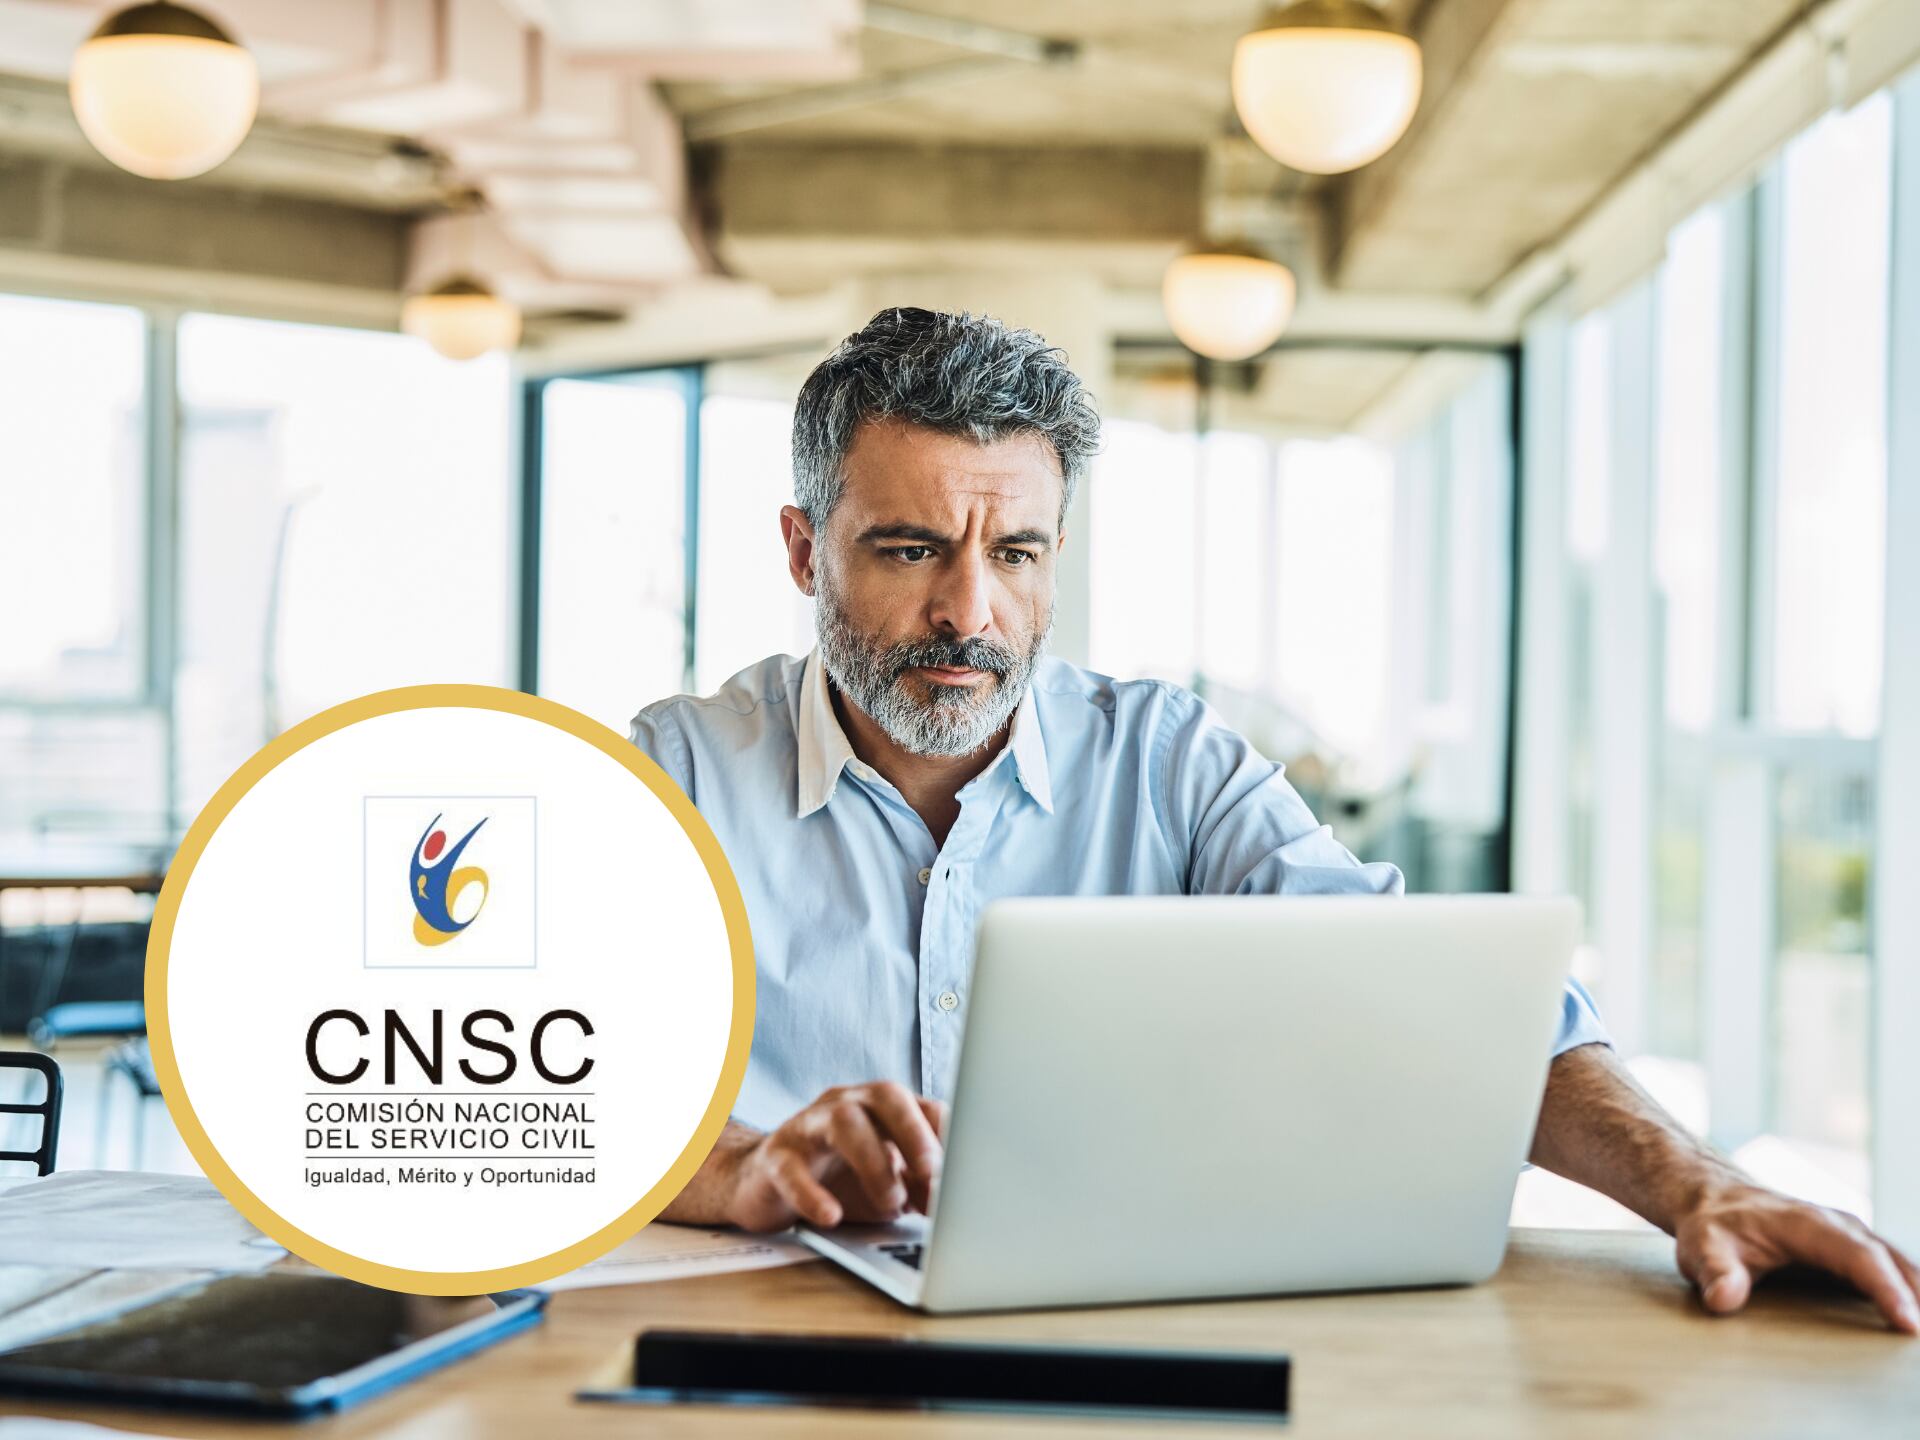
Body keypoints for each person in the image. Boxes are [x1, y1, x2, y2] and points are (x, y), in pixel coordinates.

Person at [634, 306, 1919, 1333]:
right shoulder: (672, 776)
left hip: (1127, 1342)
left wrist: (1697, 1183)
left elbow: (1447, 1008)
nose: (970, 612)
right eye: (911, 549)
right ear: (806, 551)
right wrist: (742, 1166)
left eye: (1015, 554)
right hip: (759, 1347)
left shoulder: (1174, 763)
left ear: (1056, 553)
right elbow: (527, 1087)